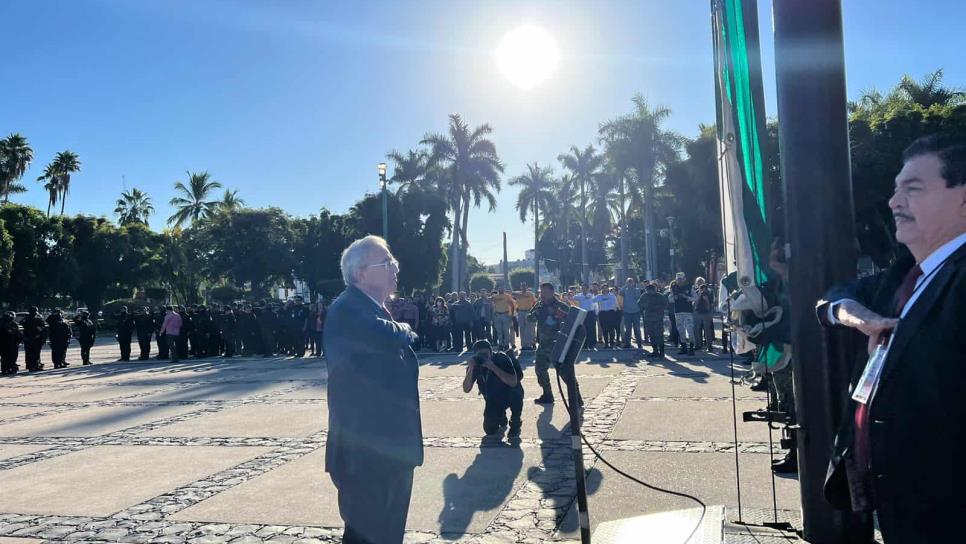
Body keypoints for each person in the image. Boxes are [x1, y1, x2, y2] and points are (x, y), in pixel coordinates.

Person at [816, 135, 966, 543]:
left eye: (913, 189)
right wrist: (851, 314)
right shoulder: (906, 274)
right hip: (896, 505)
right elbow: (836, 296)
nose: (894, 202)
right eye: (896, 189)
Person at [325, 235, 422, 544]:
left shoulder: (371, 307)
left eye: (393, 261)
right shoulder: (348, 308)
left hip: (387, 450)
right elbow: (387, 335)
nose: (395, 267)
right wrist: (406, 329)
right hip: (366, 454)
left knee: (387, 534)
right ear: (361, 274)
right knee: (368, 536)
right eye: (386, 262)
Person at [528, 283, 582, 405]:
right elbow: (529, 319)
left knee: (564, 373)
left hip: (557, 345)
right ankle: (547, 395)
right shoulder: (539, 306)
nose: (542, 295)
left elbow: (570, 322)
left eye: (545, 293)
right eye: (541, 293)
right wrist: (536, 313)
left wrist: (555, 314)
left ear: (552, 293)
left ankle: (576, 397)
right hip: (542, 345)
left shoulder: (561, 306)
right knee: (540, 370)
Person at [463, 339, 524, 438]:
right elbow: (466, 389)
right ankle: (500, 415)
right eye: (480, 355)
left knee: (516, 393)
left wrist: (492, 367)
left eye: (486, 354)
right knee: (490, 430)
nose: (483, 357)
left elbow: (513, 382)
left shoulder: (501, 359)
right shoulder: (476, 364)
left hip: (509, 393)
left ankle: (516, 421)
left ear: (491, 353)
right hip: (493, 398)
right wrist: (471, 368)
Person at [640, 283, 668, 358]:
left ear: (654, 290)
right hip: (648, 319)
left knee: (659, 335)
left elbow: (665, 305)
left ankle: (662, 352)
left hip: (658, 319)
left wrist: (656, 308)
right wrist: (643, 308)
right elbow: (639, 304)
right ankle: (655, 351)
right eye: (647, 291)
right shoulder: (644, 296)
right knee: (651, 335)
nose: (649, 292)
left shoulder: (660, 296)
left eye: (650, 291)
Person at [670, 272, 695, 355]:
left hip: (688, 311)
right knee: (680, 330)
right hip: (678, 311)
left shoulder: (689, 286)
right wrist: (675, 297)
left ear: (684, 279)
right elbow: (670, 298)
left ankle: (691, 347)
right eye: (678, 279)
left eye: (681, 279)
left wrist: (687, 297)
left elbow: (696, 298)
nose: (679, 281)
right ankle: (683, 347)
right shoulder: (673, 287)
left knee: (690, 329)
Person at [619, 277, 644, 349]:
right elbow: (620, 293)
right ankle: (627, 344)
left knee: (637, 328)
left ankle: (639, 343)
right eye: (628, 282)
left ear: (633, 283)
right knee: (628, 329)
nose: (630, 283)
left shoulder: (637, 290)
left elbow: (638, 298)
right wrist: (625, 285)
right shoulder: (624, 290)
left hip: (636, 312)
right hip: (627, 312)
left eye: (631, 282)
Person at [692, 277, 715, 352]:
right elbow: (694, 304)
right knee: (696, 329)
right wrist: (699, 296)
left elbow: (711, 303)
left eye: (701, 282)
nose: (700, 284)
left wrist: (706, 299)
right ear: (696, 284)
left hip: (707, 312)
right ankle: (698, 345)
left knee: (707, 330)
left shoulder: (710, 291)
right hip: (697, 312)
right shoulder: (695, 292)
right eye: (698, 283)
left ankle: (709, 345)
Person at [572, 285, 598, 350]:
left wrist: (596, 313)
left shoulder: (591, 295)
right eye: (583, 288)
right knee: (584, 329)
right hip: (583, 313)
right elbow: (573, 297)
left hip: (590, 313)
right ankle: (585, 344)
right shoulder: (579, 296)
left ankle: (592, 344)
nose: (584, 290)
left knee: (591, 329)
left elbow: (596, 304)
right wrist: (575, 292)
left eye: (585, 288)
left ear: (588, 289)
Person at [22, 307, 47, 371]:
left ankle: (33, 365)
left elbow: (42, 327)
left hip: (32, 338)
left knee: (32, 353)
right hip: (32, 338)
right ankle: (34, 365)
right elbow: (42, 327)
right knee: (34, 353)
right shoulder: (34, 318)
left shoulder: (29, 318)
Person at [490, 287, 516, 351]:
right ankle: (501, 344)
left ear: (504, 290)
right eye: (499, 289)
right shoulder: (495, 296)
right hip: (497, 315)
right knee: (499, 331)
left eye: (501, 289)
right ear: (498, 290)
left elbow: (512, 305)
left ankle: (506, 345)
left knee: (506, 331)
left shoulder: (507, 296)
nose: (500, 290)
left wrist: (511, 315)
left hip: (505, 314)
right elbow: (489, 300)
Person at [514, 284, 538, 350]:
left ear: (527, 287)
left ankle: (529, 345)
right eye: (522, 286)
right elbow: (511, 293)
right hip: (521, 312)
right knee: (522, 329)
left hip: (528, 311)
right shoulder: (517, 294)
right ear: (520, 287)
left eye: (525, 286)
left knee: (528, 329)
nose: (523, 287)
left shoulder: (530, 294)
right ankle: (523, 345)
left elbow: (535, 302)